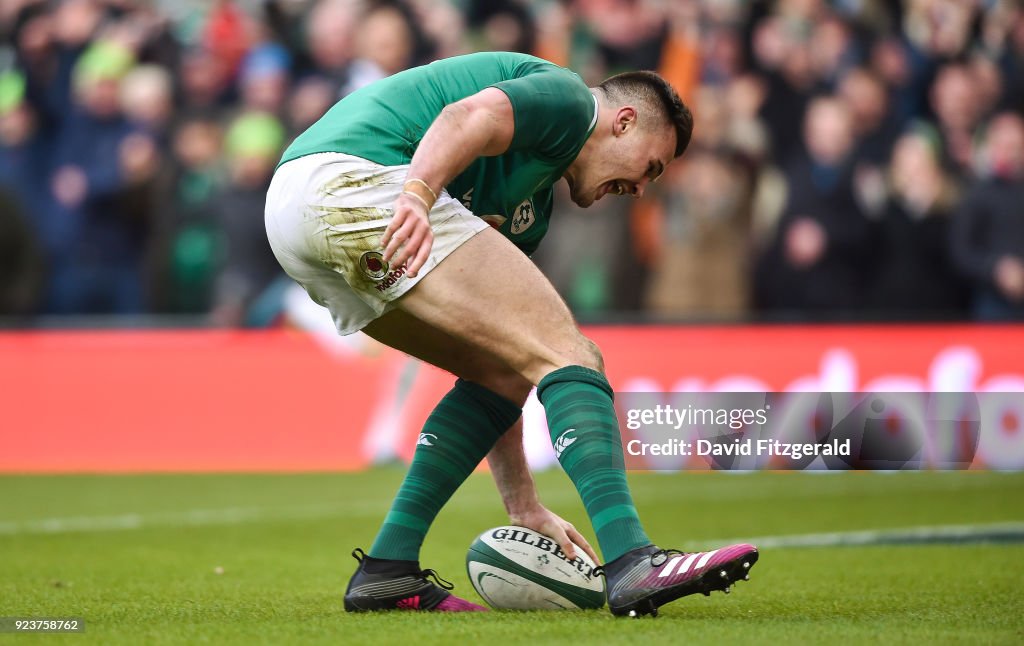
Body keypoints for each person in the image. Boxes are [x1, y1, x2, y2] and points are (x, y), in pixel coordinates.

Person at [265, 51, 758, 617]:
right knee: (572, 353)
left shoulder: (530, 208)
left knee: (500, 368)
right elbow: (463, 118)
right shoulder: (571, 100)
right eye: (651, 167)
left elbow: (501, 360)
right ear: (623, 122)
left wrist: (522, 503)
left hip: (295, 215)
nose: (642, 188)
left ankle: (387, 569)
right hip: (359, 179)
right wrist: (416, 197)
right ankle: (630, 562)